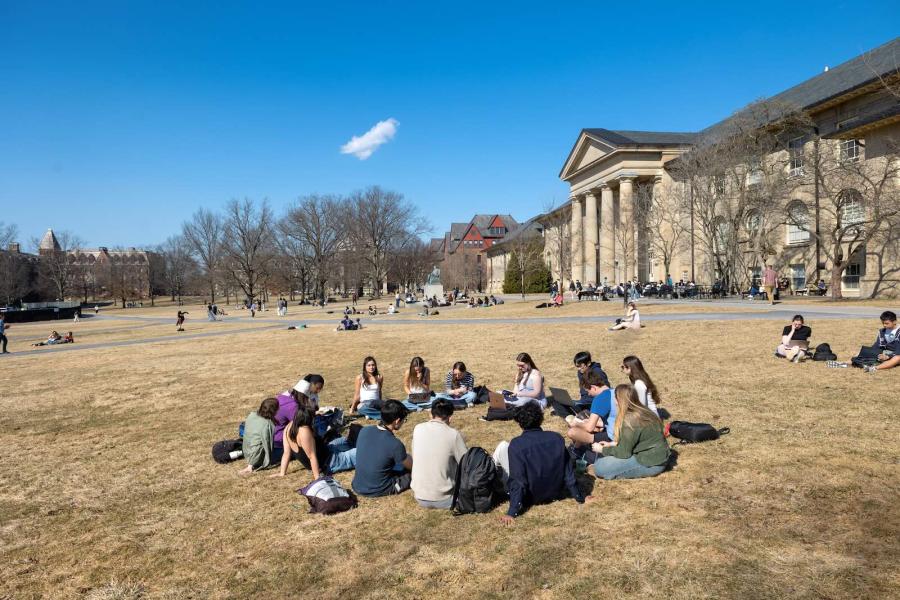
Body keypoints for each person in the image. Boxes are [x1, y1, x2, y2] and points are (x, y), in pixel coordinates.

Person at [495, 402, 585, 525]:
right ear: (541, 419)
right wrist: (580, 497)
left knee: (501, 448)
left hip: (530, 497)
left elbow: (518, 480)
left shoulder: (517, 445)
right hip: (555, 492)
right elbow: (568, 473)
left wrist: (512, 512)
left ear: (520, 423)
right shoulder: (556, 438)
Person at [592, 384, 670, 480]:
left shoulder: (630, 420)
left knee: (599, 467)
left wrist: (602, 450)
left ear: (618, 401)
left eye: (615, 398)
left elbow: (624, 453)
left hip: (651, 462)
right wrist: (612, 444)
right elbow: (636, 439)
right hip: (658, 457)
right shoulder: (644, 411)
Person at [273, 392, 356, 479]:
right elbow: (312, 456)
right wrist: (317, 477)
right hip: (330, 462)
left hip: (327, 451)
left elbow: (286, 452)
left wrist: (282, 472)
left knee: (345, 440)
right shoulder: (304, 432)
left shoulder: (289, 426)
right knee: (361, 452)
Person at [411, 399, 468, 509]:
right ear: (450, 417)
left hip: (419, 496)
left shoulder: (417, 429)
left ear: (430, 413)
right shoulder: (453, 434)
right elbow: (466, 464)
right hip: (445, 498)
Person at [352, 400, 413, 497]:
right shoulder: (395, 444)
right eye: (403, 420)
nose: (403, 423)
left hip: (357, 485)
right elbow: (412, 466)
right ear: (397, 421)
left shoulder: (364, 430)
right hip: (378, 489)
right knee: (411, 475)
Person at [565, 371, 613, 448]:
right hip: (626, 431)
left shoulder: (599, 399)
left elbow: (589, 428)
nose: (588, 394)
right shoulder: (616, 391)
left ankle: (577, 451)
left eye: (588, 391)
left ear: (593, 387)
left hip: (613, 436)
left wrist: (576, 424)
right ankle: (576, 449)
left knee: (572, 432)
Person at [238, 397, 280, 475]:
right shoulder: (267, 424)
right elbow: (267, 446)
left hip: (246, 451)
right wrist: (251, 465)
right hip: (256, 457)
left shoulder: (252, 415)